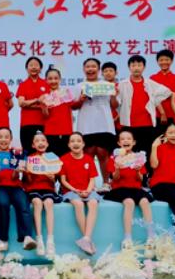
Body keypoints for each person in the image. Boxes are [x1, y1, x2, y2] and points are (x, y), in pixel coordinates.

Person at [103, 130, 155, 254]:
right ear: (119, 143)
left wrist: (137, 170)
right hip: (119, 189)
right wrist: (117, 168)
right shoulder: (114, 158)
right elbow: (114, 178)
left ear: (134, 142)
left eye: (128, 139)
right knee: (129, 202)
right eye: (123, 139)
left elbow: (141, 179)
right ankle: (127, 238)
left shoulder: (138, 157)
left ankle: (151, 237)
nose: (126, 141)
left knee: (144, 201)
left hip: (135, 188)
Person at [0, 127, 37, 252]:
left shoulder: (17, 154)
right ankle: (3, 239)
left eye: (6, 137)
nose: (3, 139)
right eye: (0, 137)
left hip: (16, 186)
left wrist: (16, 171)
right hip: (0, 187)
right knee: (2, 204)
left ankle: (27, 237)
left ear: (10, 139)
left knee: (23, 203)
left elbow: (15, 177)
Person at [116, 55, 172, 158]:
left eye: (139, 65)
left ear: (144, 67)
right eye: (133, 65)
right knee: (129, 154)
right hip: (129, 124)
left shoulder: (150, 83)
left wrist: (154, 102)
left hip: (147, 124)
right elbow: (116, 103)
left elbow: (166, 92)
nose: (136, 68)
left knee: (147, 152)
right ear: (129, 67)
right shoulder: (122, 84)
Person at [74, 58, 117, 189]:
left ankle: (106, 183)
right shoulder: (79, 86)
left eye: (93, 66)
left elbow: (114, 105)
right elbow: (73, 106)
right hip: (86, 125)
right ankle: (88, 184)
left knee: (103, 153)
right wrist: (81, 99)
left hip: (104, 124)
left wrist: (114, 95)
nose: (90, 69)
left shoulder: (107, 85)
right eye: (88, 67)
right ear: (84, 69)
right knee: (88, 154)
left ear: (99, 70)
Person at [59, 133, 100, 256]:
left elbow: (92, 179)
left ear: (83, 144)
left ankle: (86, 238)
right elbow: (63, 180)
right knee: (78, 204)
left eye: (78, 141)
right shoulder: (64, 159)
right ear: (68, 144)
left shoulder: (88, 159)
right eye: (72, 141)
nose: (75, 143)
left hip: (87, 190)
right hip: (71, 191)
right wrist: (76, 190)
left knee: (93, 202)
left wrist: (88, 190)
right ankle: (87, 239)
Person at [23, 132, 61, 258]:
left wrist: (52, 178)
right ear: (33, 145)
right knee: (37, 203)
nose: (41, 143)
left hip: (48, 188)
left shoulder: (52, 158)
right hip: (33, 188)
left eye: (43, 140)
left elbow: (54, 180)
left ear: (47, 144)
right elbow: (28, 181)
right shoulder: (30, 159)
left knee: (49, 203)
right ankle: (39, 239)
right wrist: (28, 173)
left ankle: (50, 240)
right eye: (37, 141)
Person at [16, 57, 48, 150]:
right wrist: (37, 101)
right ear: (27, 68)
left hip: (43, 123)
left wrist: (29, 104)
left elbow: (48, 104)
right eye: (31, 65)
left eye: (36, 65)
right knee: (28, 151)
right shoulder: (23, 84)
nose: (33, 67)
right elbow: (21, 103)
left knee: (42, 152)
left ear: (41, 68)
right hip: (26, 123)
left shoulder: (46, 84)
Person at [41, 68, 74, 156]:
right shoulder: (45, 96)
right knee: (51, 160)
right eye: (50, 78)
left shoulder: (66, 93)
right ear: (46, 80)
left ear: (60, 79)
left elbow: (74, 106)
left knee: (66, 159)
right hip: (50, 132)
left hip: (66, 131)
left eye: (56, 78)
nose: (53, 81)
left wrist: (82, 98)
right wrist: (43, 105)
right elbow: (45, 115)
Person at [149, 50, 175, 135]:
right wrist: (162, 113)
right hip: (157, 115)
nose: (164, 62)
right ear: (157, 62)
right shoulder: (153, 78)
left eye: (167, 60)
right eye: (161, 60)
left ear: (171, 61)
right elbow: (153, 97)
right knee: (158, 139)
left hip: (174, 115)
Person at [101, 62, 121, 132]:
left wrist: (116, 118)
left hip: (119, 123)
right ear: (102, 73)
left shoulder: (120, 87)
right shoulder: (99, 88)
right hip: (103, 123)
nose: (108, 73)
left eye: (111, 71)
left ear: (116, 73)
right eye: (105, 71)